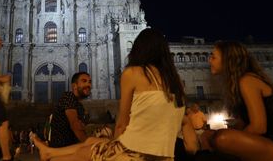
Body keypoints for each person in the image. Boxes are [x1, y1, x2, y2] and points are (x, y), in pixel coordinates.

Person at [31, 28, 186, 160]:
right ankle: (49, 151)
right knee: (91, 141)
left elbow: (121, 123)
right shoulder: (176, 82)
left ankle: (51, 156)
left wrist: (113, 144)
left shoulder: (133, 73)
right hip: (165, 155)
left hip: (134, 154)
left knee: (87, 151)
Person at [206, 41, 273, 161]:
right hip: (269, 143)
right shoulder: (240, 84)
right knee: (207, 136)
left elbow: (259, 127)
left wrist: (234, 139)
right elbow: (244, 124)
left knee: (222, 138)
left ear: (228, 59)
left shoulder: (247, 81)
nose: (209, 60)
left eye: (213, 56)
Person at [49, 72, 91, 148]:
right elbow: (75, 126)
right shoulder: (68, 97)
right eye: (84, 81)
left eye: (89, 82)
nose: (88, 84)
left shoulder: (79, 105)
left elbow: (81, 126)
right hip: (62, 150)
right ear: (74, 86)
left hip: (72, 148)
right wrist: (91, 146)